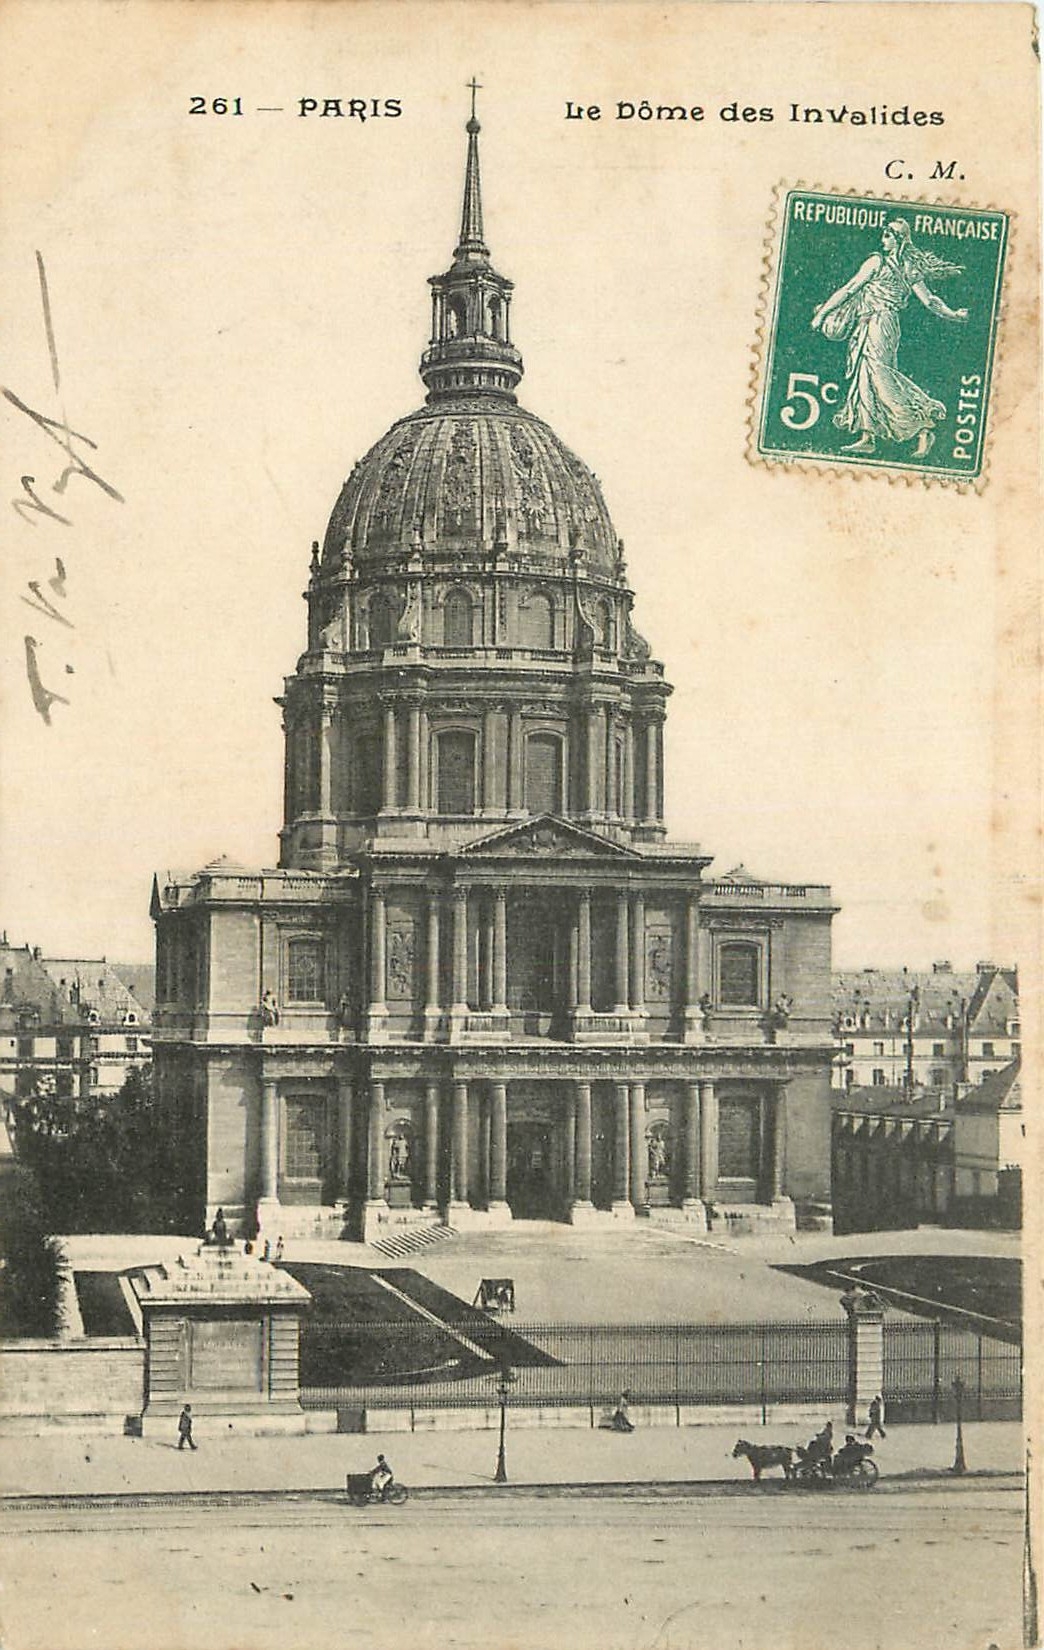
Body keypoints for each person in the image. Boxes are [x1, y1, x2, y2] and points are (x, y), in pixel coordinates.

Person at [811, 218, 968, 459]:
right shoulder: (898, 265)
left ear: (899, 239)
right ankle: (868, 437)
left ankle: (923, 427)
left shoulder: (884, 263)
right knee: (865, 377)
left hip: (880, 323)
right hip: (870, 324)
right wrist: (954, 314)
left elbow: (851, 289)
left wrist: (822, 314)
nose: (882, 240)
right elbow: (929, 301)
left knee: (881, 377)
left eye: (887, 235)